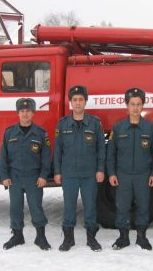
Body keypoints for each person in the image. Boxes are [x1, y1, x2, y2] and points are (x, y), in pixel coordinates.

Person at [106, 88, 153, 250]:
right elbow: (111, 154)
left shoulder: (149, 128)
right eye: (132, 104)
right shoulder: (118, 128)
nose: (135, 108)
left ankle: (141, 237)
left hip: (143, 175)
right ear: (127, 105)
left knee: (143, 206)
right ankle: (123, 237)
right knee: (122, 207)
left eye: (139, 104)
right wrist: (111, 173)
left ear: (143, 105)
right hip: (123, 175)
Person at [54, 85, 106, 252]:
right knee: (69, 207)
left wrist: (100, 169)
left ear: (85, 102)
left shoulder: (95, 123)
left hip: (89, 174)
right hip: (69, 174)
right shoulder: (63, 124)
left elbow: (101, 149)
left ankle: (92, 240)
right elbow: (58, 151)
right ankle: (68, 240)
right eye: (74, 100)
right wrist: (57, 172)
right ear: (70, 102)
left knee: (90, 207)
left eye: (81, 100)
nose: (78, 103)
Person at [0, 98, 52, 250]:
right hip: (14, 178)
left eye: (28, 111)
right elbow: (3, 156)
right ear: (18, 113)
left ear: (33, 113)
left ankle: (40, 237)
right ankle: (17, 236)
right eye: (22, 111)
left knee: (36, 207)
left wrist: (43, 176)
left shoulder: (41, 133)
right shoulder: (9, 133)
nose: (25, 114)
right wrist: (4, 176)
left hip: (33, 178)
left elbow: (46, 157)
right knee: (15, 207)